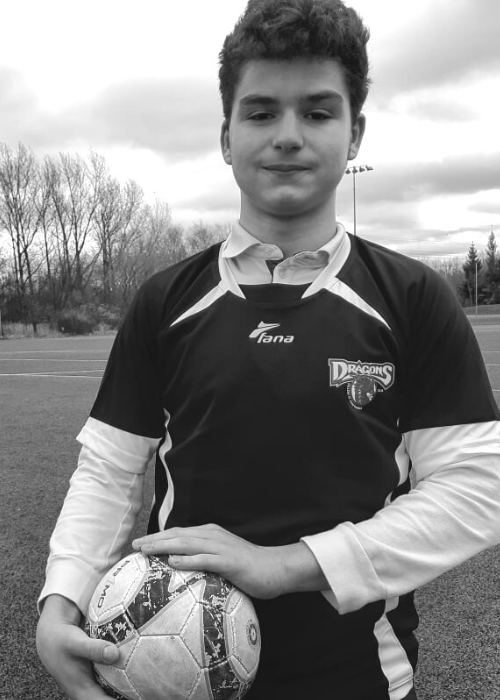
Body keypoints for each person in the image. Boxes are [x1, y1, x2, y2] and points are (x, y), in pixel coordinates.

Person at [36, 1, 500, 699]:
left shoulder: (412, 297)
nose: (288, 136)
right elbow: (109, 471)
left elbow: (478, 491)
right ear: (226, 137)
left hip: (360, 676)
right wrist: (60, 599)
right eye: (260, 113)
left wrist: (288, 564)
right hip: (170, 678)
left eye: (317, 112)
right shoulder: (166, 300)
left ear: (355, 134)